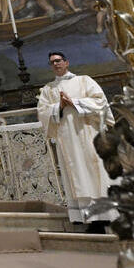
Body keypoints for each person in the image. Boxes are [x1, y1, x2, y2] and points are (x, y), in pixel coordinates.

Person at [36, 51, 116, 233]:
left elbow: (101, 103)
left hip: (89, 136)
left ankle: (104, 216)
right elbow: (43, 113)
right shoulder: (48, 89)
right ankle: (85, 217)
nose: (55, 64)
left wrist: (75, 102)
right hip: (68, 141)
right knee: (78, 176)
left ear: (66, 62)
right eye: (52, 62)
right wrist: (59, 106)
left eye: (58, 60)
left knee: (94, 174)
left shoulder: (84, 81)